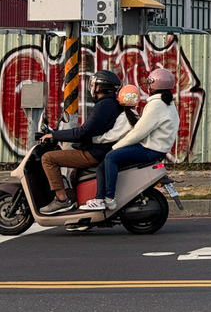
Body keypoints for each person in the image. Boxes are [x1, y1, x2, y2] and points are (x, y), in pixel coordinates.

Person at [82, 67, 180, 212]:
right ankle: (103, 197)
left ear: (153, 85)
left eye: (149, 83)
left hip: (150, 150)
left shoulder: (156, 105)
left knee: (110, 157)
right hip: (158, 149)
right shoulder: (168, 104)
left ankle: (107, 199)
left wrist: (116, 147)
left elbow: (138, 133)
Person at [38, 70, 126, 215]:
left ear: (99, 87)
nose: (92, 87)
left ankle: (61, 200)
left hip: (94, 153)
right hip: (102, 150)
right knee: (74, 174)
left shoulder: (103, 106)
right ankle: (79, 212)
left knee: (48, 158)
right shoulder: (112, 104)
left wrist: (54, 135)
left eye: (94, 84)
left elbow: (83, 132)